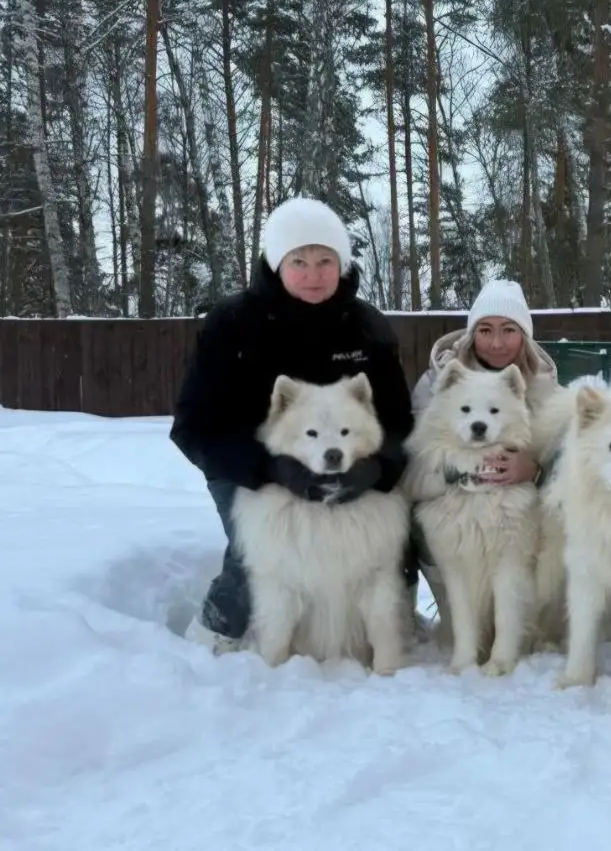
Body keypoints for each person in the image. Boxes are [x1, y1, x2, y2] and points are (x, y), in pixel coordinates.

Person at [171, 196, 416, 653]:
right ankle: (215, 633)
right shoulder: (233, 323)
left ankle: (383, 630)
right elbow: (194, 426)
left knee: (388, 541)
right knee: (259, 552)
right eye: (299, 261)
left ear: (342, 264)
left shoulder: (367, 327)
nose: (313, 275)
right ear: (276, 263)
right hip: (247, 465)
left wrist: (378, 470)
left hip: (351, 459)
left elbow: (399, 420)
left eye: (325, 261)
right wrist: (269, 469)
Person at [410, 278, 562, 488]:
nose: (496, 344)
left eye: (509, 330)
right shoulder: (437, 381)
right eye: (485, 330)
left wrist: (534, 471)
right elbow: (413, 461)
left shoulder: (549, 394)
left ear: (524, 336)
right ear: (472, 334)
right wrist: (455, 470)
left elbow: (567, 467)